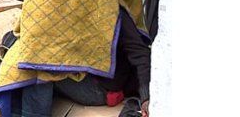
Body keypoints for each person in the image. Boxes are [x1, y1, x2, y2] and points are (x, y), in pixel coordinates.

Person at [13, 6, 151, 117]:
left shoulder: (116, 14)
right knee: (24, 55)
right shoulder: (72, 7)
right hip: (78, 74)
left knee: (38, 66)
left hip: (99, 88)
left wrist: (146, 97)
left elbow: (140, 54)